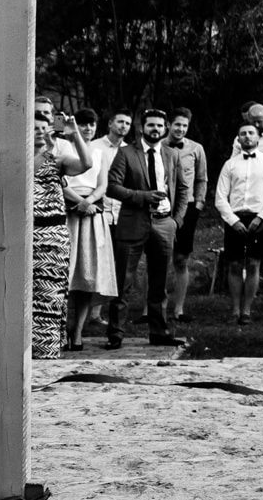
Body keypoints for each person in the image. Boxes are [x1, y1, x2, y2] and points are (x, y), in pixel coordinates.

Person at [0, 110, 91, 359]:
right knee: (5, 286)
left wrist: (73, 137)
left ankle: (44, 349)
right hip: (21, 232)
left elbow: (86, 164)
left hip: (52, 236)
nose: (39, 131)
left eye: (43, 127)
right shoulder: (14, 159)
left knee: (48, 293)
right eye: (35, 127)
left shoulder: (58, 158)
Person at [104, 108, 186, 349]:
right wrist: (143, 196)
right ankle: (116, 334)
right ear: (142, 128)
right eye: (151, 125)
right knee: (123, 282)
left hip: (163, 224)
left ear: (166, 128)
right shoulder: (126, 153)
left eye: (160, 126)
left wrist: (176, 220)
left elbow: (182, 189)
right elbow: (112, 187)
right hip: (133, 222)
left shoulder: (171, 154)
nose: (156, 130)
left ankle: (159, 332)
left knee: (160, 282)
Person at [215, 118, 263, 326]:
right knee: (234, 264)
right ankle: (235, 309)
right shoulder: (230, 165)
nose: (247, 137)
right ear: (238, 138)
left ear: (257, 137)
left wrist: (261, 217)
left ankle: (247, 310)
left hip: (259, 218)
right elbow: (220, 197)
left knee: (254, 264)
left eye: (251, 133)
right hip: (235, 218)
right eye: (243, 133)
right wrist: (233, 220)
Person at [61, 109, 117, 351]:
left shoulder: (99, 152)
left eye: (92, 125)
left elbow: (103, 184)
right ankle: (60, 329)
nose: (88, 129)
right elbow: (58, 182)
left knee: (87, 273)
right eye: (83, 124)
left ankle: (78, 331)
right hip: (69, 210)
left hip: (92, 213)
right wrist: (79, 202)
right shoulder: (63, 149)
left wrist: (91, 201)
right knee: (66, 273)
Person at [162, 109, 208, 326]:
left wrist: (198, 204)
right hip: (161, 205)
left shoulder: (196, 148)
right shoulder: (157, 146)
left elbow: (202, 179)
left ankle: (178, 309)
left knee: (181, 259)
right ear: (169, 124)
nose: (180, 129)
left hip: (188, 207)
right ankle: (151, 308)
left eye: (184, 126)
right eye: (177, 124)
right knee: (158, 257)